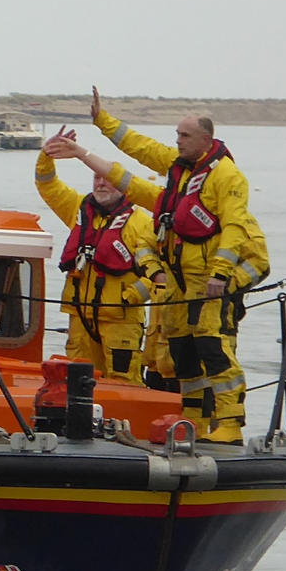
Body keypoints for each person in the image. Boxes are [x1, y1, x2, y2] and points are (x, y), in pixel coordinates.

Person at [79, 88, 264, 443]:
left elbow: (235, 228)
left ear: (206, 139)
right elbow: (141, 147)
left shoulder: (227, 177)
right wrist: (103, 121)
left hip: (207, 283)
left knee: (215, 351)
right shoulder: (180, 170)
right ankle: (193, 419)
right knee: (184, 356)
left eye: (184, 135)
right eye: (177, 135)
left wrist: (222, 275)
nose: (177, 141)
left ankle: (230, 424)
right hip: (178, 285)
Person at [38, 128, 165, 384]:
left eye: (107, 178)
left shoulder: (142, 222)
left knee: (123, 383)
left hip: (121, 322)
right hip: (80, 321)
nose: (101, 183)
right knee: (77, 383)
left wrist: (128, 298)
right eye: (96, 178)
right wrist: (46, 155)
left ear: (122, 183)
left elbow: (163, 272)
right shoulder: (77, 209)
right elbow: (47, 185)